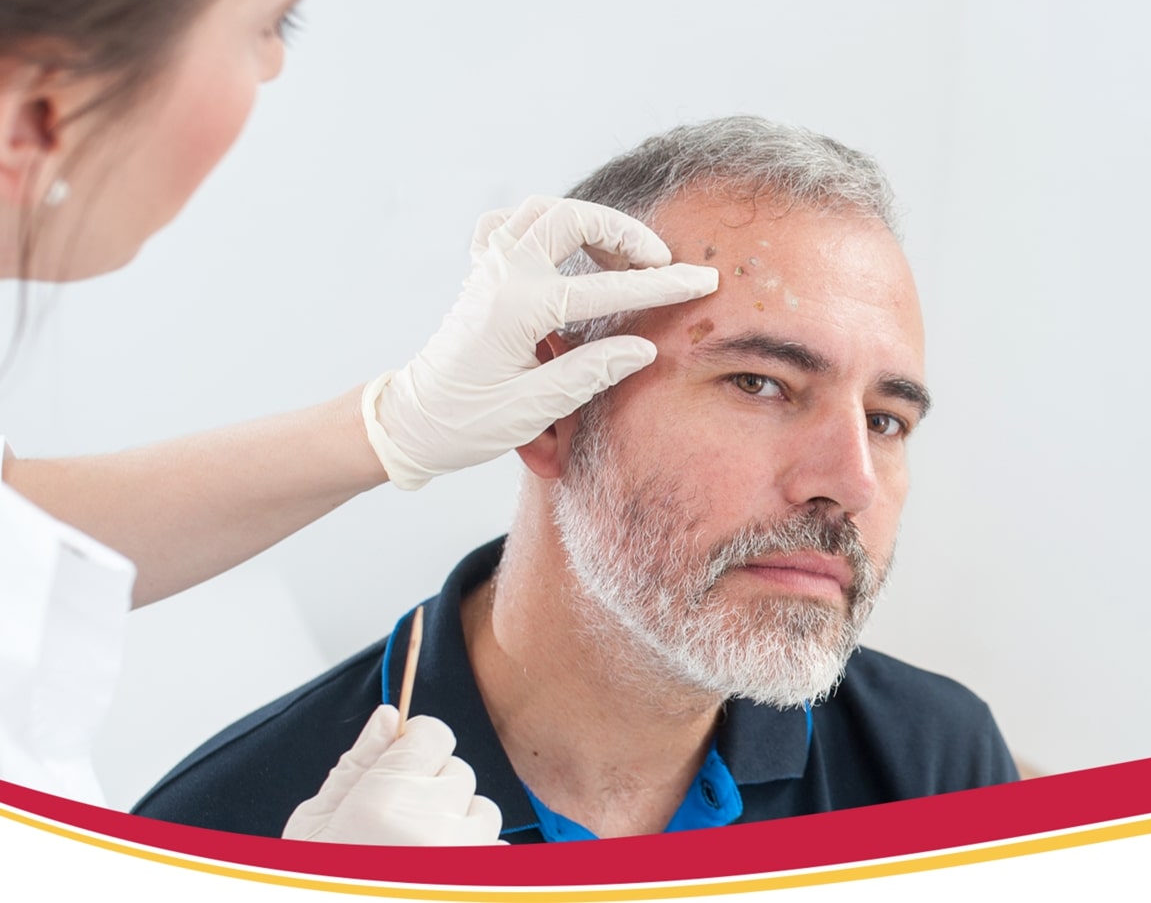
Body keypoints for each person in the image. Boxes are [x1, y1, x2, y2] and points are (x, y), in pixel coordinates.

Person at [134, 116, 1019, 842]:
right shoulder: (236, 830)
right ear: (551, 408)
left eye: (885, 420)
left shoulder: (936, 765)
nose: (850, 483)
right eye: (761, 383)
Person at [0, 0, 717, 845]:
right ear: (37, 114)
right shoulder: (240, 785)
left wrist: (393, 423)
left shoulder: (930, 744)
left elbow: (14, 530)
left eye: (888, 417)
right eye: (272, 22)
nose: (273, 66)